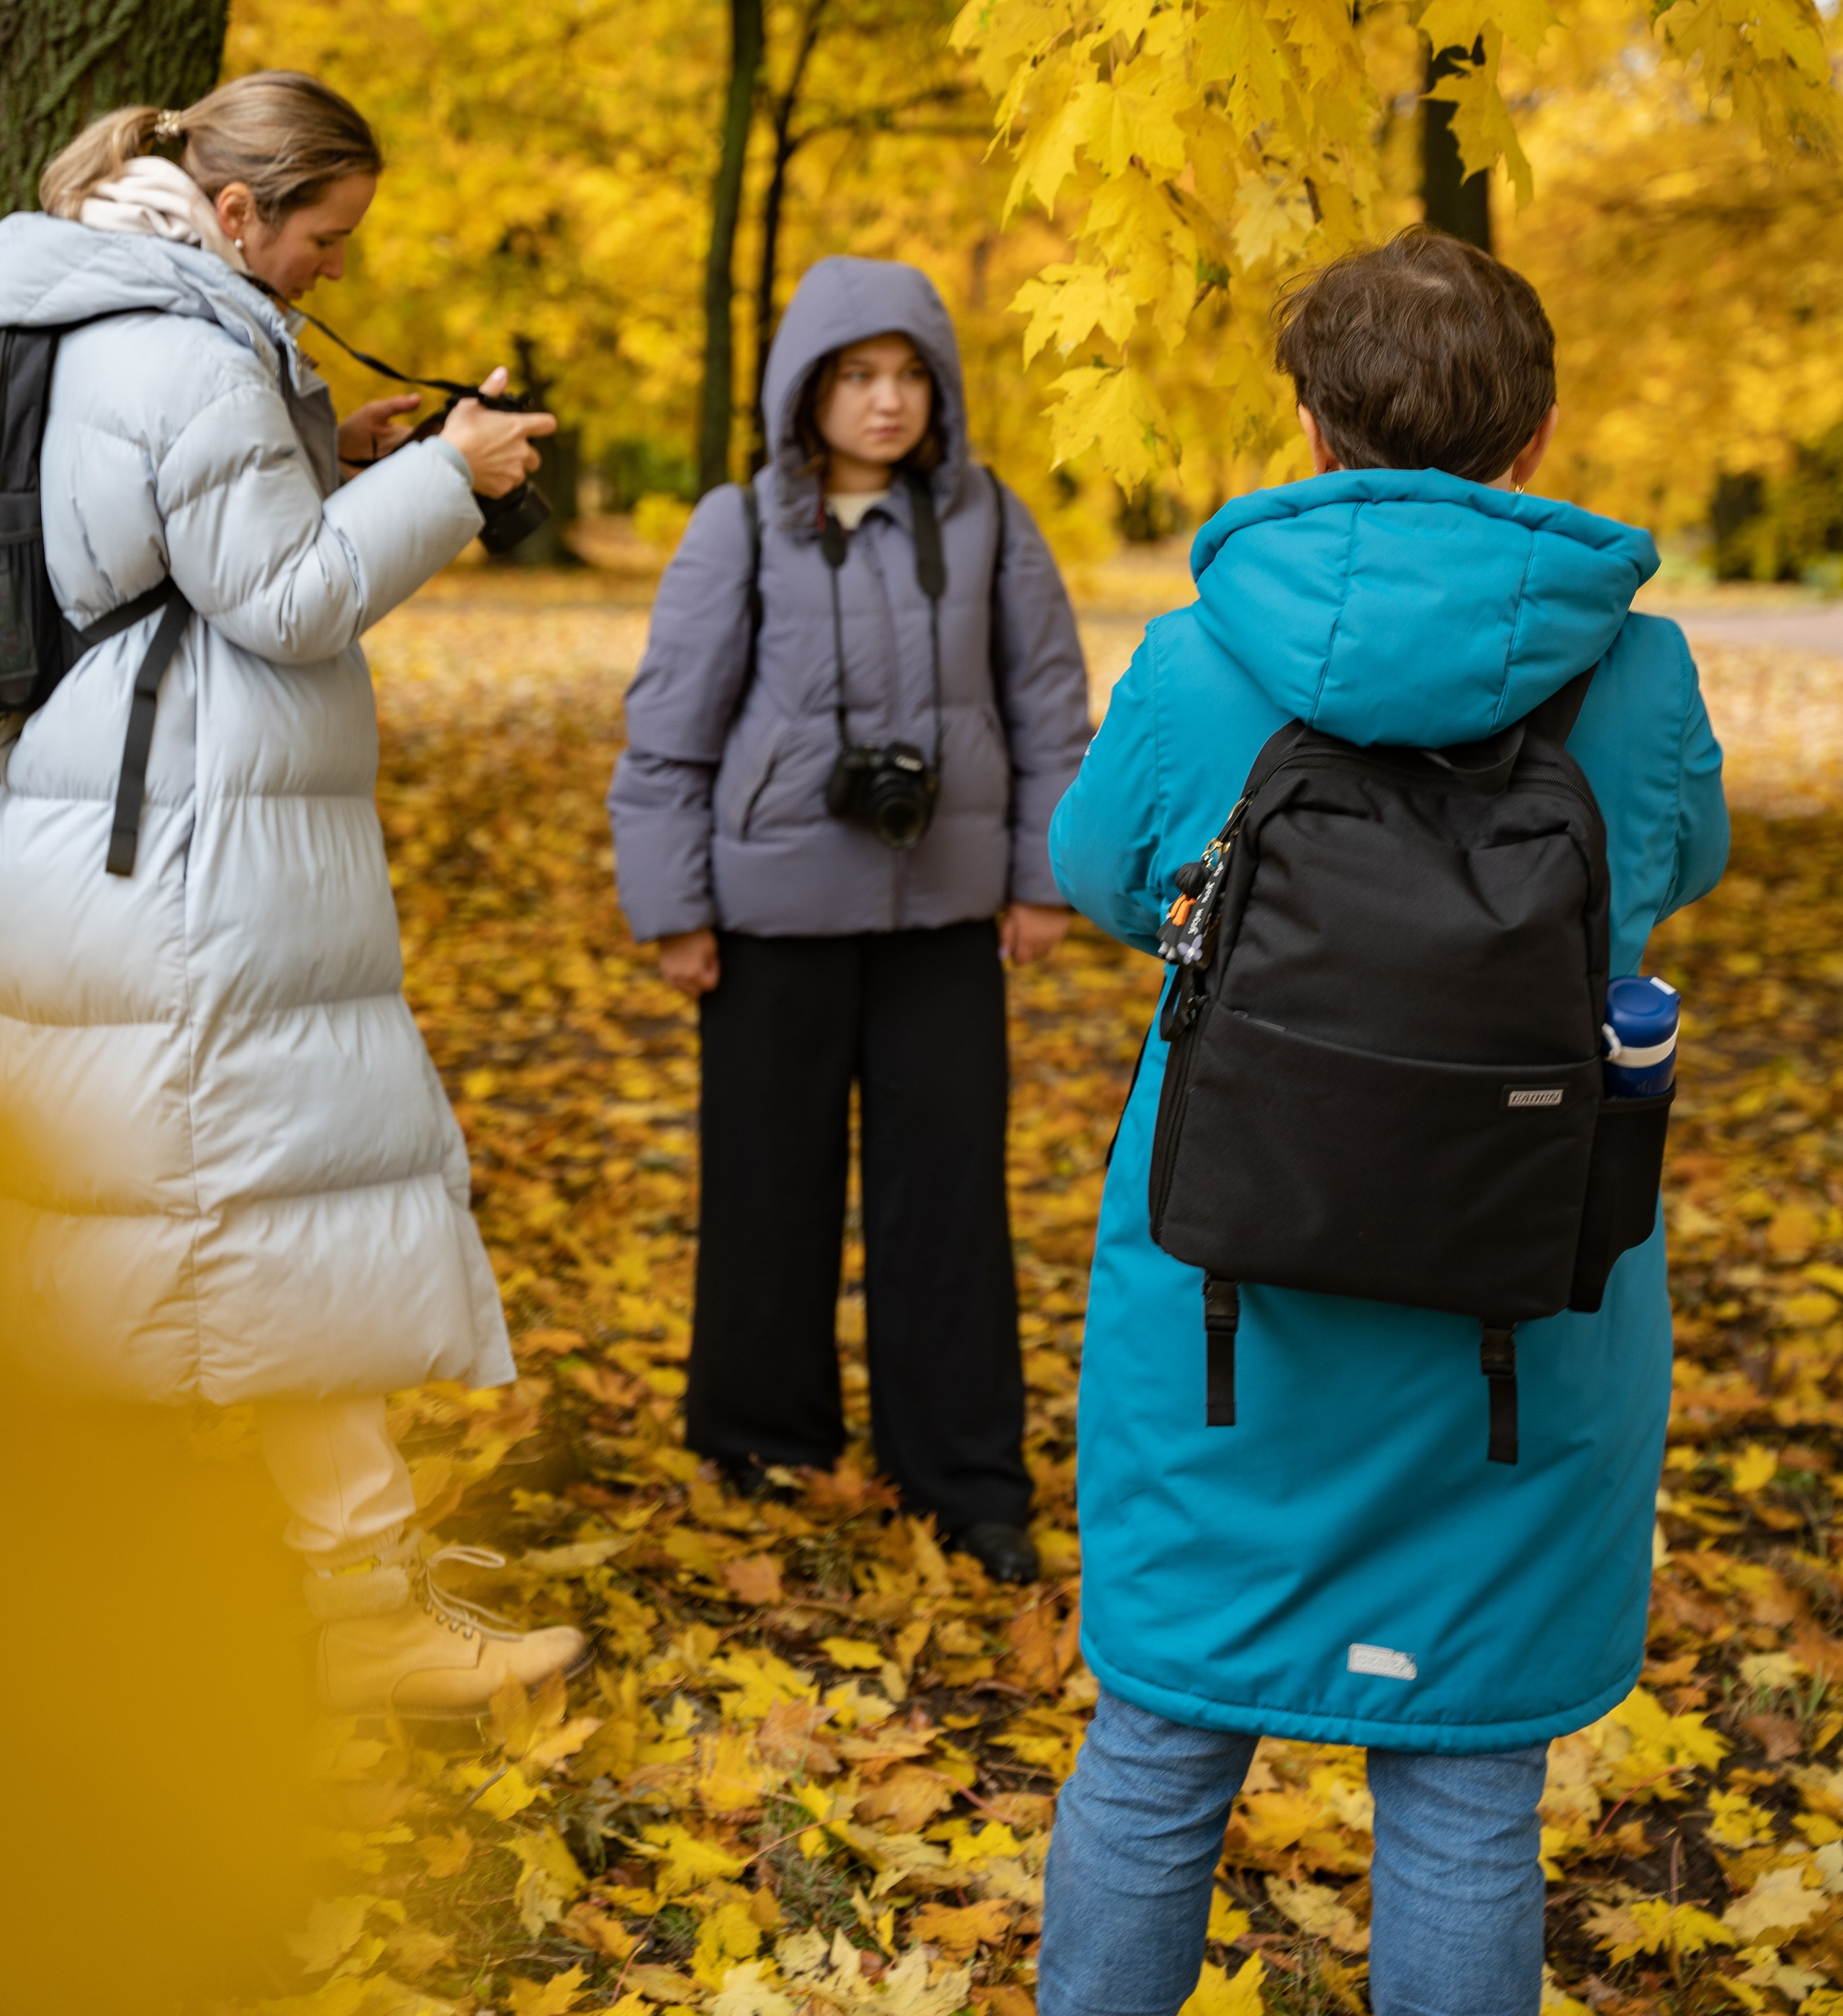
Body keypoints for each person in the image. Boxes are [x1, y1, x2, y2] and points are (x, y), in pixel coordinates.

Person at [1038, 230, 1729, 2016]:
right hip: (1524, 1301)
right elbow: (1671, 874)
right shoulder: (1635, 678)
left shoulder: (1200, 661)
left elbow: (1099, 875)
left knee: (1159, 1754)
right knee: (1460, 1799)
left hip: (1226, 1307)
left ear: (1304, 416)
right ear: (1539, 429)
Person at [0, 73, 588, 1717]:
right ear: (241, 212)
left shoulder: (121, 311)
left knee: (175, 1227)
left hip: (135, 820)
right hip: (187, 842)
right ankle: (351, 1618)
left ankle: (156, 1611)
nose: (338, 266)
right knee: (262, 1215)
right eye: (325, 235)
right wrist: (451, 478)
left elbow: (176, 536)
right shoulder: (186, 344)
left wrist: (339, 450)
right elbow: (282, 598)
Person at [610, 256, 1091, 1582]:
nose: (887, 404)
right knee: (768, 1189)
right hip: (770, 918)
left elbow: (1049, 703)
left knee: (948, 1203)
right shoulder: (736, 527)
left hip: (945, 915)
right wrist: (674, 908)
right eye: (858, 377)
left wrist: (1043, 876)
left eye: (909, 378)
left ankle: (965, 1477)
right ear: (805, 392)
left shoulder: (989, 518)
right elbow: (669, 732)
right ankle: (760, 1445)